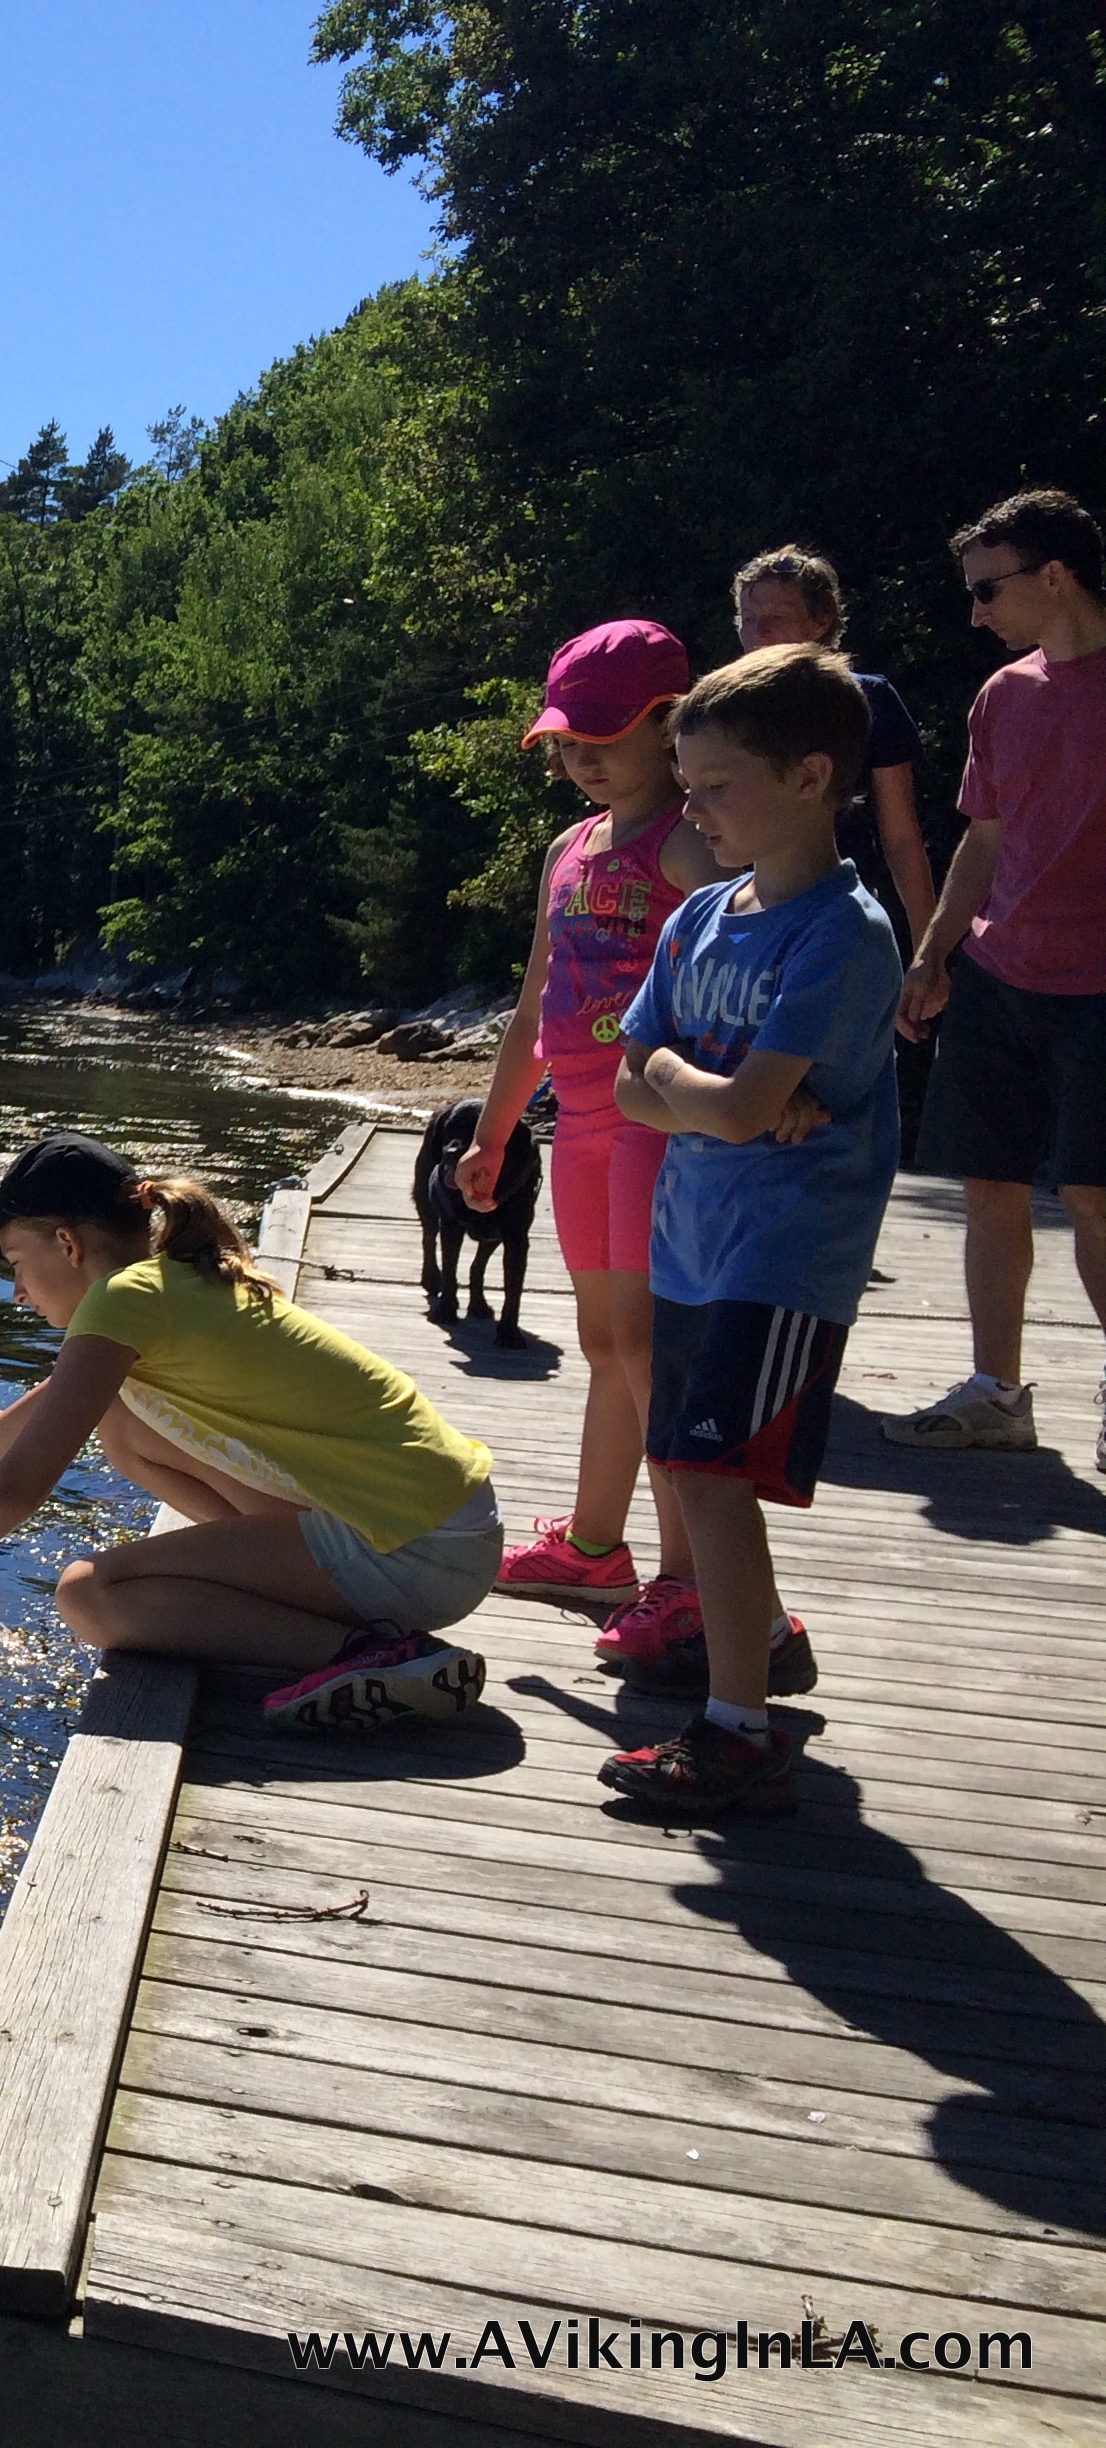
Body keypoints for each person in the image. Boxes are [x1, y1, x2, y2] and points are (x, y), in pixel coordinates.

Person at [0, 1134, 502, 1735]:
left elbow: (14, 1486)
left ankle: (370, 1652)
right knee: (122, 1429)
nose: (16, 1293)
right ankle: (354, 1628)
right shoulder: (169, 1284)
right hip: (447, 1530)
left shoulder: (122, 1301)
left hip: (413, 1549)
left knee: (92, 1594)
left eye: (17, 1265)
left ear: (68, 1244)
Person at [601, 643, 900, 1816]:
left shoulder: (842, 934)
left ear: (812, 776)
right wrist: (706, 1090)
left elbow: (716, 1103)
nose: (694, 812)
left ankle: (739, 1730)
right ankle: (762, 1640)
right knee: (689, 1459)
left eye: (718, 786)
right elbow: (631, 1085)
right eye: (687, 786)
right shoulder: (700, 917)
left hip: (783, 1253)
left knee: (711, 1472)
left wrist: (693, 1088)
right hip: (690, 1239)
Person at [455, 620, 719, 1665]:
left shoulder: (693, 844)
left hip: (659, 1125)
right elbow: (535, 1003)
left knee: (649, 1347)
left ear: (669, 723)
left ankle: (691, 1579)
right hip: (577, 1127)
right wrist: (493, 1132)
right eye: (567, 741)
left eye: (603, 737)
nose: (581, 758)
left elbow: (754, 968)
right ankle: (596, 1547)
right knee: (606, 1342)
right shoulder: (569, 851)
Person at [885, 489, 1106, 1466]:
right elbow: (984, 838)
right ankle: (996, 1393)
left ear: (1054, 576)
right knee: (990, 1187)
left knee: (1094, 1195)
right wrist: (933, 953)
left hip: (1098, 989)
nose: (975, 613)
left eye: (987, 590)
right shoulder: (1003, 695)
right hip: (999, 974)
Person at [732, 547, 939, 1154]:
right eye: (747, 620)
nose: (757, 634)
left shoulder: (867, 701)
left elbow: (900, 835)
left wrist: (928, 951)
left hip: (844, 917)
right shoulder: (725, 707)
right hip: (751, 918)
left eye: (775, 619)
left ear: (821, 622)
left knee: (842, 1095)